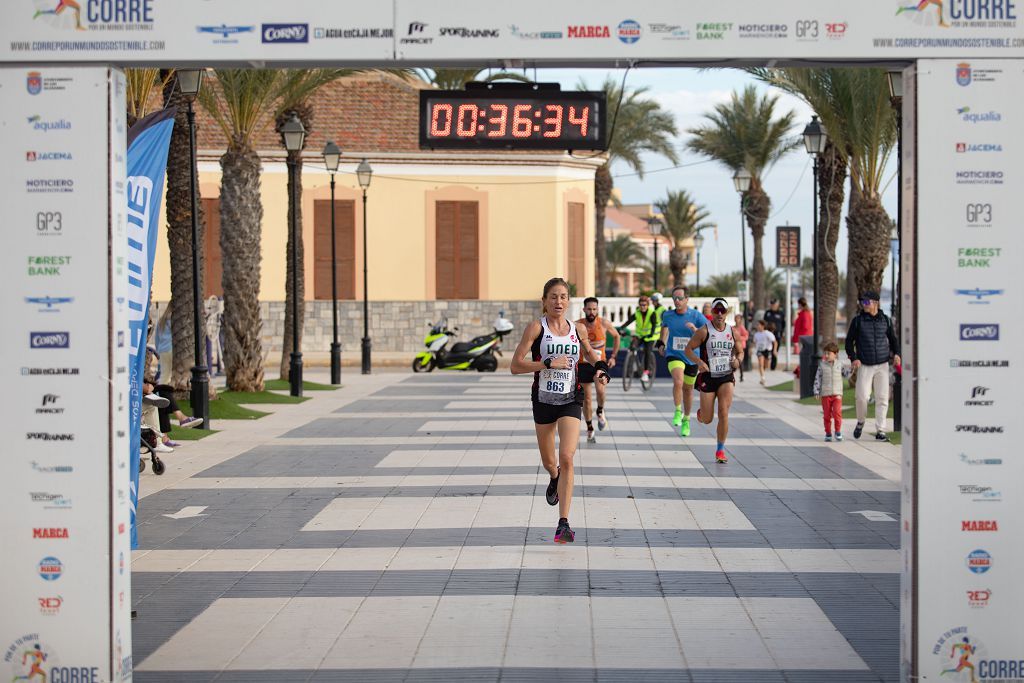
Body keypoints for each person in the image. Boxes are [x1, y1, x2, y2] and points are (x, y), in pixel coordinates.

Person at [511, 277, 608, 544]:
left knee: (567, 456)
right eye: (553, 296)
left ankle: (563, 523)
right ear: (544, 301)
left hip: (570, 399)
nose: (558, 301)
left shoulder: (578, 330)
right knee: (550, 462)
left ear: (568, 301)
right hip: (542, 400)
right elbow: (515, 365)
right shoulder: (536, 328)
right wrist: (547, 363)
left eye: (563, 296)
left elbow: (589, 354)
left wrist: (601, 369)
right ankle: (553, 477)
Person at [685, 297, 743, 463]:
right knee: (708, 419)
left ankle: (720, 450)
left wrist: (737, 361)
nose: (719, 314)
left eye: (722, 311)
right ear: (712, 312)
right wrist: (700, 362)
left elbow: (740, 352)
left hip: (726, 376)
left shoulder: (732, 332)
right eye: (716, 310)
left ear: (726, 313)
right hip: (708, 376)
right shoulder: (704, 331)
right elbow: (688, 349)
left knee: (724, 411)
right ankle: (702, 414)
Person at [845, 290, 900, 441]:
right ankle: (861, 421)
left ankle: (880, 430)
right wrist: (853, 358)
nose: (864, 304)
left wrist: (897, 354)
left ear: (876, 303)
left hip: (882, 364)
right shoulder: (857, 321)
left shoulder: (886, 320)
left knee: (882, 398)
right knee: (862, 397)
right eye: (862, 302)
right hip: (865, 364)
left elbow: (894, 340)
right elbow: (848, 343)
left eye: (867, 302)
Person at [656, 286, 707, 436]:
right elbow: (664, 328)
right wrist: (661, 342)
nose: (677, 301)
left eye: (680, 298)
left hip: (691, 356)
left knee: (688, 389)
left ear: (687, 299)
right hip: (674, 353)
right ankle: (678, 411)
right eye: (674, 298)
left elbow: (707, 333)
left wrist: (694, 330)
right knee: (678, 381)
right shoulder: (668, 315)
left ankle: (686, 419)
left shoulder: (696, 315)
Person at [577, 296, 620, 443]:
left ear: (597, 310)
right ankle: (589, 427)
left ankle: (600, 411)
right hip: (582, 365)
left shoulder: (604, 324)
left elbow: (617, 336)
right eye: (589, 309)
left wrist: (613, 356)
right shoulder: (578, 325)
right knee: (587, 399)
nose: (591, 312)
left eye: (594, 309)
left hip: (599, 364)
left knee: (601, 390)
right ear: (584, 310)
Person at [814, 341, 845, 442]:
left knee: (837, 413)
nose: (826, 355)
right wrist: (816, 391)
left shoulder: (840, 365)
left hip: (837, 394)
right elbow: (817, 379)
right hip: (826, 394)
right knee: (827, 415)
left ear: (835, 354)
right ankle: (828, 433)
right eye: (825, 353)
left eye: (829, 353)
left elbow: (846, 374)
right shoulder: (822, 365)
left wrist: (853, 369)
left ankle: (838, 431)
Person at [764, 299, 786, 370]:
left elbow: (783, 324)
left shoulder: (781, 313)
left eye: (774, 304)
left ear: (777, 305)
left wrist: (782, 333)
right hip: (768, 334)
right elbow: (764, 322)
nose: (772, 306)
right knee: (766, 350)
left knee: (775, 350)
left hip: (777, 334)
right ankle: (765, 365)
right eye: (771, 304)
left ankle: (773, 366)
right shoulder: (767, 313)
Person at [753, 320, 776, 385]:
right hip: (760, 351)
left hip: (767, 350)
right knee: (761, 364)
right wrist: (751, 349)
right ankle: (762, 378)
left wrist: (774, 350)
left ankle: (763, 371)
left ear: (763, 326)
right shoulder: (756, 334)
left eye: (759, 325)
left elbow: (775, 342)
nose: (757, 326)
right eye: (757, 325)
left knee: (766, 365)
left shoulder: (768, 333)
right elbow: (754, 342)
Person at [732, 314, 749, 382]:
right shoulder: (732, 327)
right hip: (734, 347)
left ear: (740, 320)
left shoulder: (742, 328)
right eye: (735, 318)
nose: (736, 319)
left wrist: (738, 338)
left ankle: (741, 375)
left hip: (741, 346)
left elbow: (746, 336)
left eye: (738, 318)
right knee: (734, 360)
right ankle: (732, 373)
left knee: (739, 361)